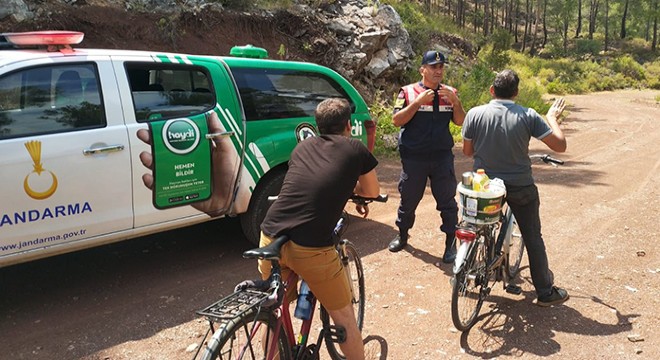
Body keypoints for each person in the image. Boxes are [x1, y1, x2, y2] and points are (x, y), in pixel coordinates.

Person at [259, 98, 380, 359]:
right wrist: (354, 193)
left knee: (274, 310)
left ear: (317, 126)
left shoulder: (302, 148)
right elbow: (371, 191)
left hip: (270, 234)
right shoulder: (355, 148)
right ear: (348, 125)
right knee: (343, 315)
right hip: (310, 248)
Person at [461, 69, 570, 307]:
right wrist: (552, 117)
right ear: (516, 93)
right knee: (532, 235)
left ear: (492, 90)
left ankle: (466, 268)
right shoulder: (528, 115)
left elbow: (467, 152)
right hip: (520, 185)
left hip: (486, 186)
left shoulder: (474, 114)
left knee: (473, 222)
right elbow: (560, 146)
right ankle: (545, 292)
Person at [389, 50, 466, 264]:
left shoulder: (450, 92)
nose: (438, 71)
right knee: (409, 199)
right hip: (414, 157)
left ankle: (450, 244)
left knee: (447, 201)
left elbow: (460, 121)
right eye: (433, 67)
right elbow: (397, 120)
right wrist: (418, 102)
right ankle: (402, 235)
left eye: (441, 67)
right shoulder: (407, 92)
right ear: (422, 69)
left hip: (441, 157)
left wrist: (456, 102)